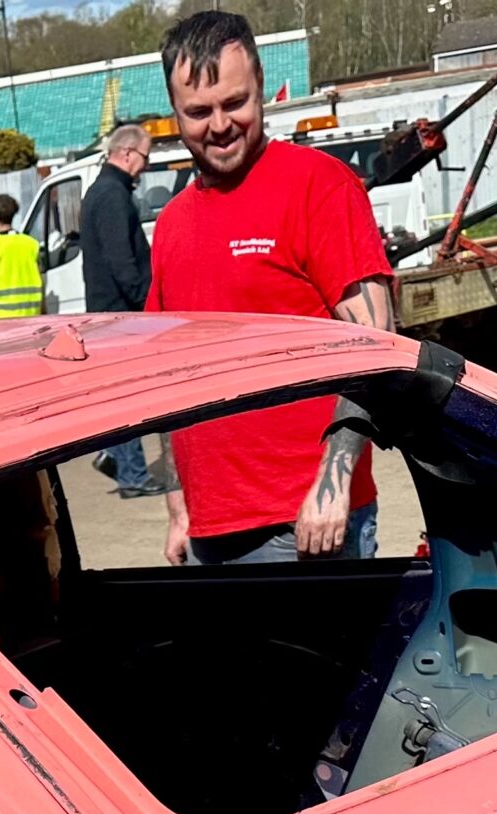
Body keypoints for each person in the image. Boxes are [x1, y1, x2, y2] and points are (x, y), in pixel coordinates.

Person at [144, 10, 396, 565]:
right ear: (175, 111)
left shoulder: (319, 187)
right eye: (198, 111)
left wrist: (333, 482)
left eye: (235, 102)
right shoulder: (173, 224)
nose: (219, 125)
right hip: (211, 528)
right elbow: (167, 372)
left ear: (260, 86)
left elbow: (377, 348)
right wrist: (178, 504)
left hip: (306, 525)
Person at [82, 122, 169, 497]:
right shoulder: (112, 195)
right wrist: (145, 302)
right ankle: (131, 473)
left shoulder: (101, 190)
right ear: (128, 153)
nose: (146, 166)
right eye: (145, 157)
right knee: (129, 396)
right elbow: (122, 261)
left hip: (108, 312)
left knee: (119, 395)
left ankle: (117, 460)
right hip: (120, 315)